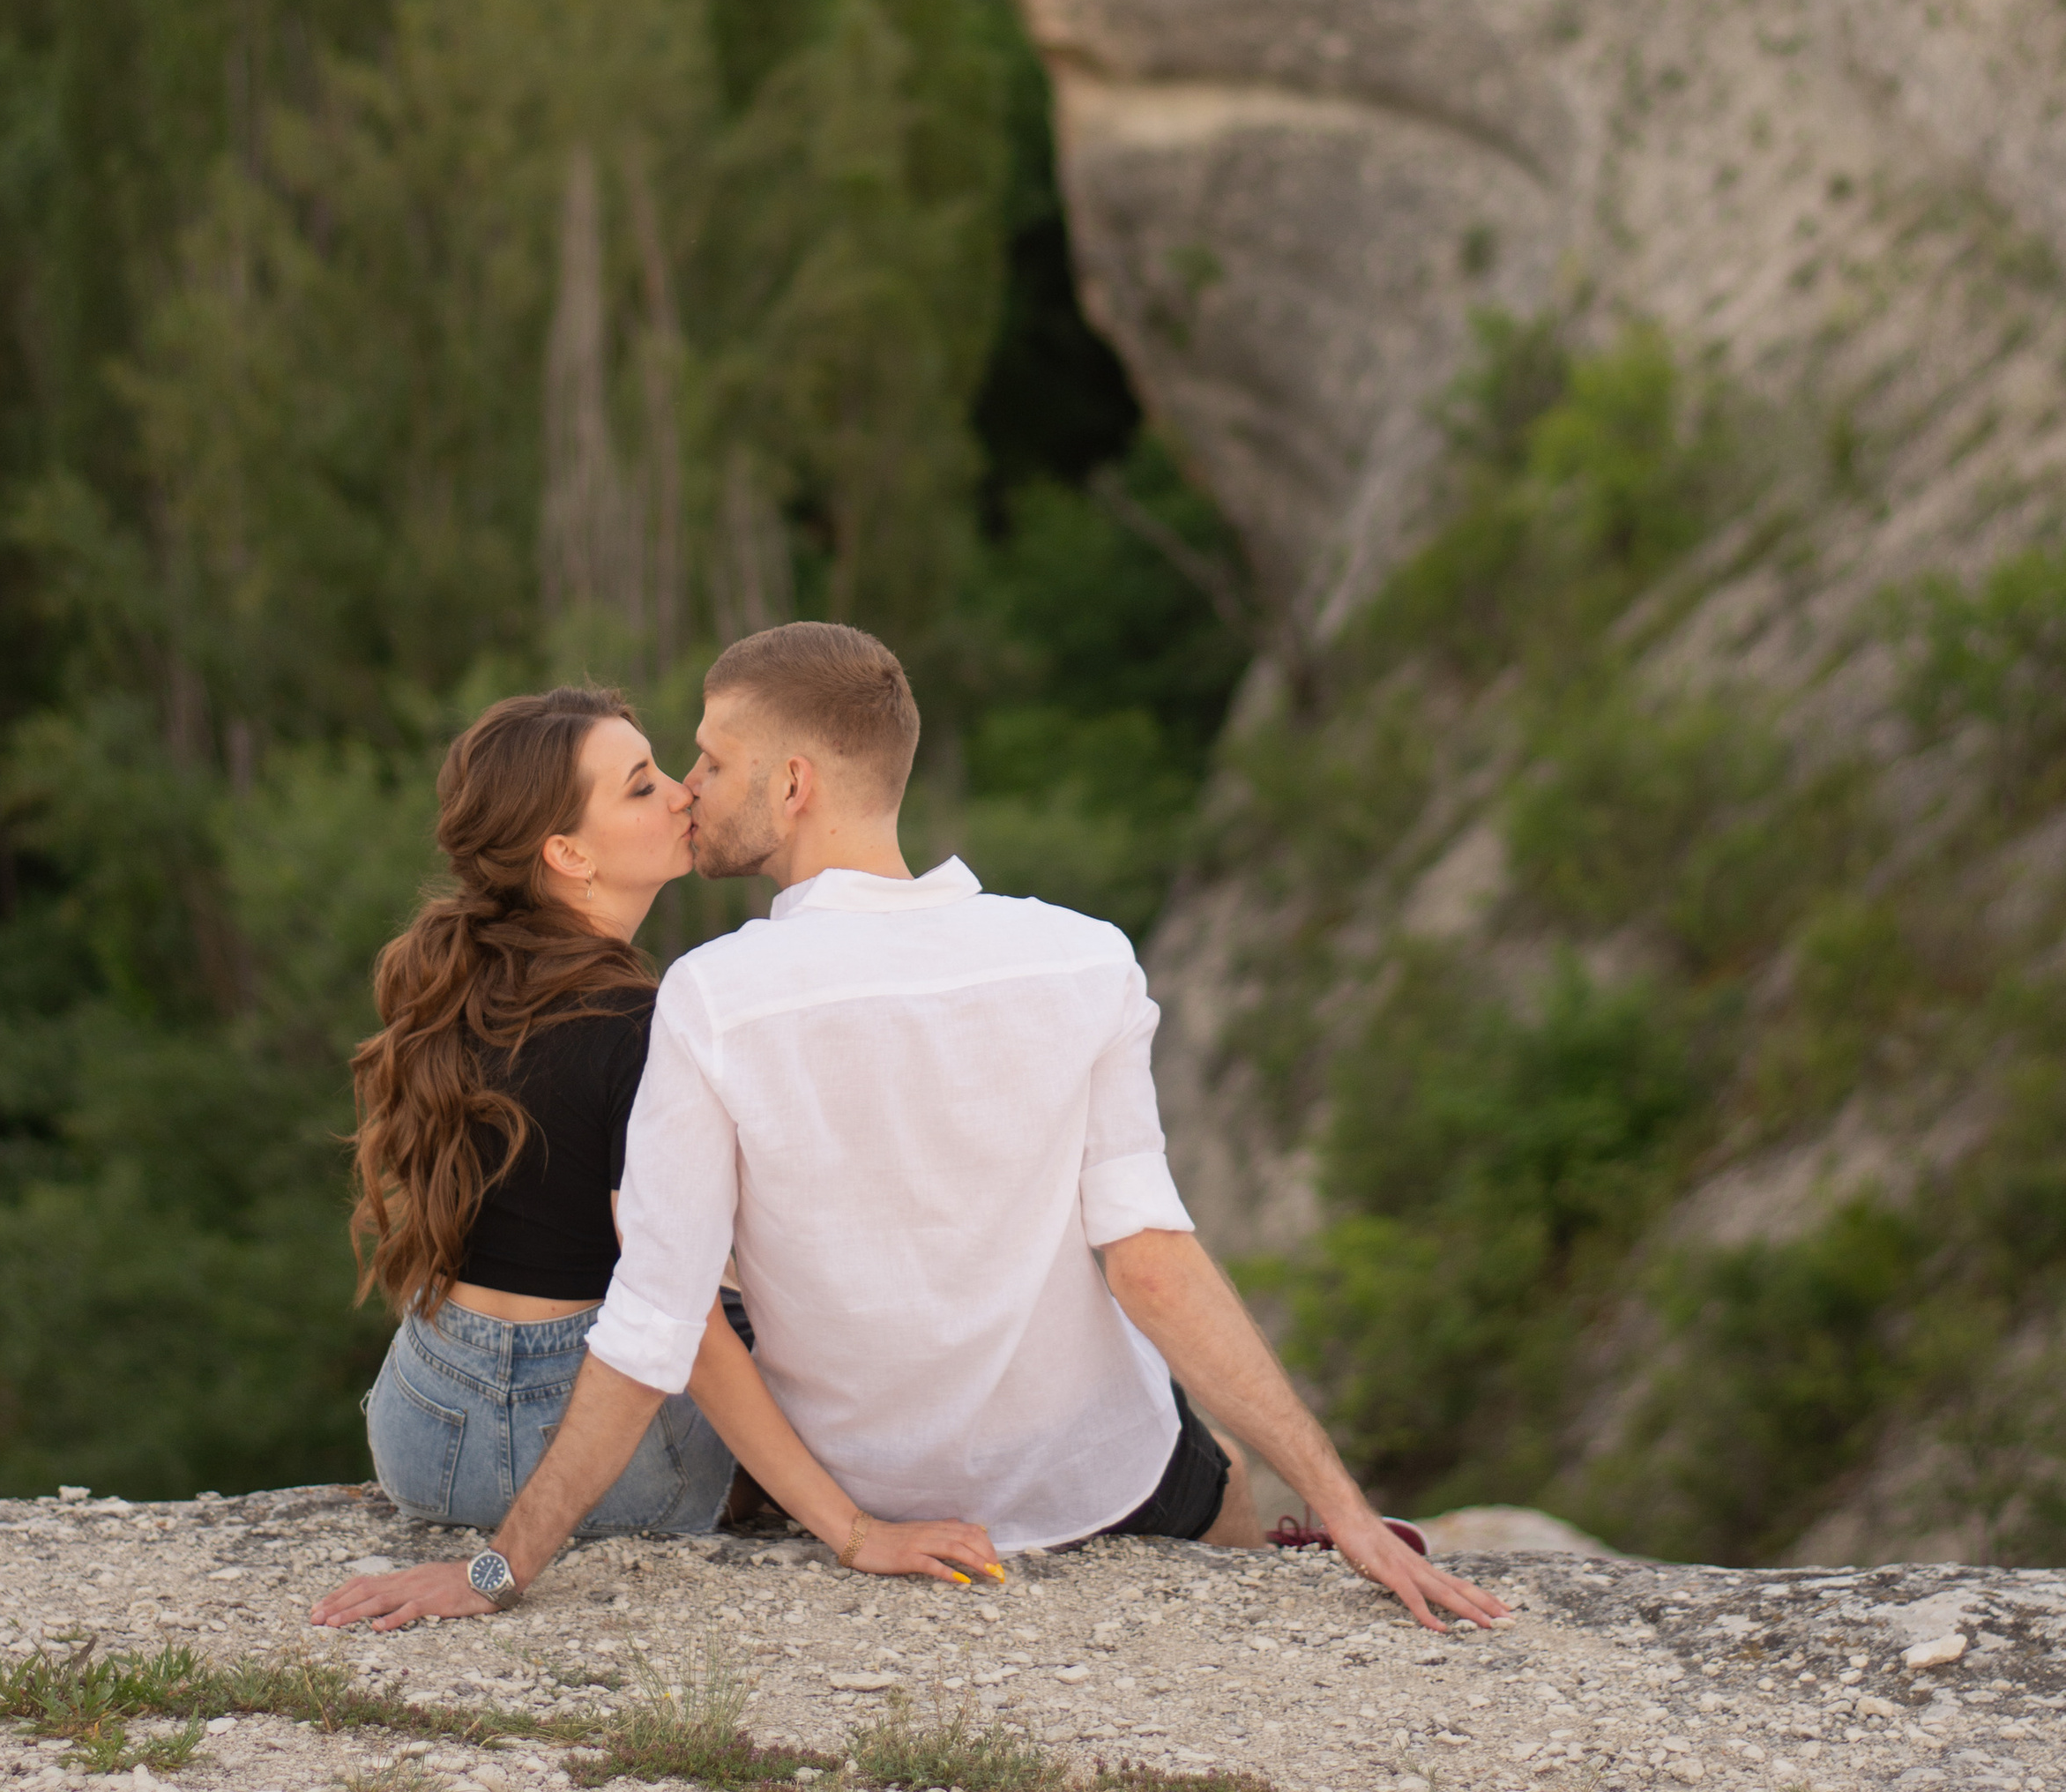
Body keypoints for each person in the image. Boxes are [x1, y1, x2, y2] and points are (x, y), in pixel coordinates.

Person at [316, 630, 1506, 1635]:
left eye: (708, 761)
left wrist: (499, 1570)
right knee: (1219, 1481)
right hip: (1095, 1473)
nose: (689, 787)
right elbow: (1148, 1259)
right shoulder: (1085, 955)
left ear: (789, 788)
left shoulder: (714, 997)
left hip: (766, 1471)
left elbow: (656, 1320)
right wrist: (1345, 1506)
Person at [344, 683, 998, 1584]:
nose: (684, 793)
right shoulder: (648, 1025)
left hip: (420, 1438)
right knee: (759, 1302)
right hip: (617, 1471)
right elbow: (673, 1315)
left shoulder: (451, 988)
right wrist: (852, 1532)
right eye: (642, 785)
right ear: (568, 852)